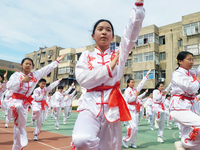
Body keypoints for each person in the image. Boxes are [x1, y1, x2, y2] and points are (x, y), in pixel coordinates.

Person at [71, 1, 145, 149]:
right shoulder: (86, 56)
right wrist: (109, 68)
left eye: (108, 30)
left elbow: (131, 34)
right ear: (93, 35)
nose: (104, 32)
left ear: (112, 36)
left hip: (112, 109)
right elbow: (83, 80)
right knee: (81, 140)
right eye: (100, 29)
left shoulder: (120, 53)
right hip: (89, 106)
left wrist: (138, 7)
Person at [6, 55, 65, 150]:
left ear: (32, 67)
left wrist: (57, 61)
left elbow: (46, 69)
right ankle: (18, 127)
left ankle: (17, 147)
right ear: (21, 65)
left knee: (18, 126)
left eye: (30, 64)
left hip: (25, 103)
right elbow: (9, 86)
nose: (28, 65)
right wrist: (21, 81)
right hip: (14, 99)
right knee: (17, 107)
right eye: (26, 63)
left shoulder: (35, 75)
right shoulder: (16, 75)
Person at [170, 51, 200, 150]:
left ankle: (188, 145)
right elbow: (190, 87)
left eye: (193, 59)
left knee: (192, 132)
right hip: (179, 107)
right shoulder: (177, 74)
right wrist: (198, 80)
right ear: (180, 61)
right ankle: (184, 143)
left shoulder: (192, 72)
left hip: (192, 105)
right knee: (198, 126)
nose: (192, 62)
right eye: (189, 59)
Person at [122, 73, 150, 149]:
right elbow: (128, 100)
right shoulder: (127, 90)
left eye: (134, 82)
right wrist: (135, 95)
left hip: (135, 110)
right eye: (132, 82)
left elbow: (141, 84)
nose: (133, 84)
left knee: (136, 128)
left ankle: (132, 142)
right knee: (132, 127)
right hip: (130, 110)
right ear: (128, 83)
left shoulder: (135, 90)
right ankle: (125, 139)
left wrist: (146, 76)